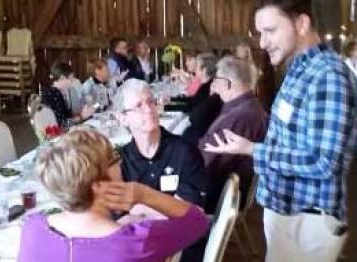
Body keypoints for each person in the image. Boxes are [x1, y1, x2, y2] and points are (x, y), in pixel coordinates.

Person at [204, 0, 357, 261]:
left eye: (270, 30)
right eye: (260, 33)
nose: (262, 43)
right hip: (289, 216)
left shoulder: (328, 76)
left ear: (301, 23)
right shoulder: (300, 69)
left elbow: (323, 162)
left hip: (306, 222)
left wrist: (251, 149)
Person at [18, 129, 209, 262]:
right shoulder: (136, 242)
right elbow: (198, 221)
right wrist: (145, 194)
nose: (121, 164)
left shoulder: (32, 227)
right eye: (114, 160)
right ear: (99, 185)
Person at [113, 78, 207, 206]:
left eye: (150, 102)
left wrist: (140, 211)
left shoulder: (184, 152)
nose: (148, 109)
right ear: (122, 118)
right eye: (138, 106)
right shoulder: (121, 162)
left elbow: (188, 210)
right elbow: (118, 210)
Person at [199, 56, 268, 214]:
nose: (215, 84)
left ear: (227, 82)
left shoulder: (241, 116)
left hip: (221, 195)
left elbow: (206, 162)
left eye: (217, 79)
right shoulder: (248, 107)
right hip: (225, 187)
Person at [42, 61, 93, 127]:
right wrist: (81, 116)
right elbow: (62, 124)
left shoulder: (55, 92)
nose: (72, 83)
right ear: (62, 78)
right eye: (71, 79)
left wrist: (82, 113)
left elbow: (67, 116)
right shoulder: (53, 94)